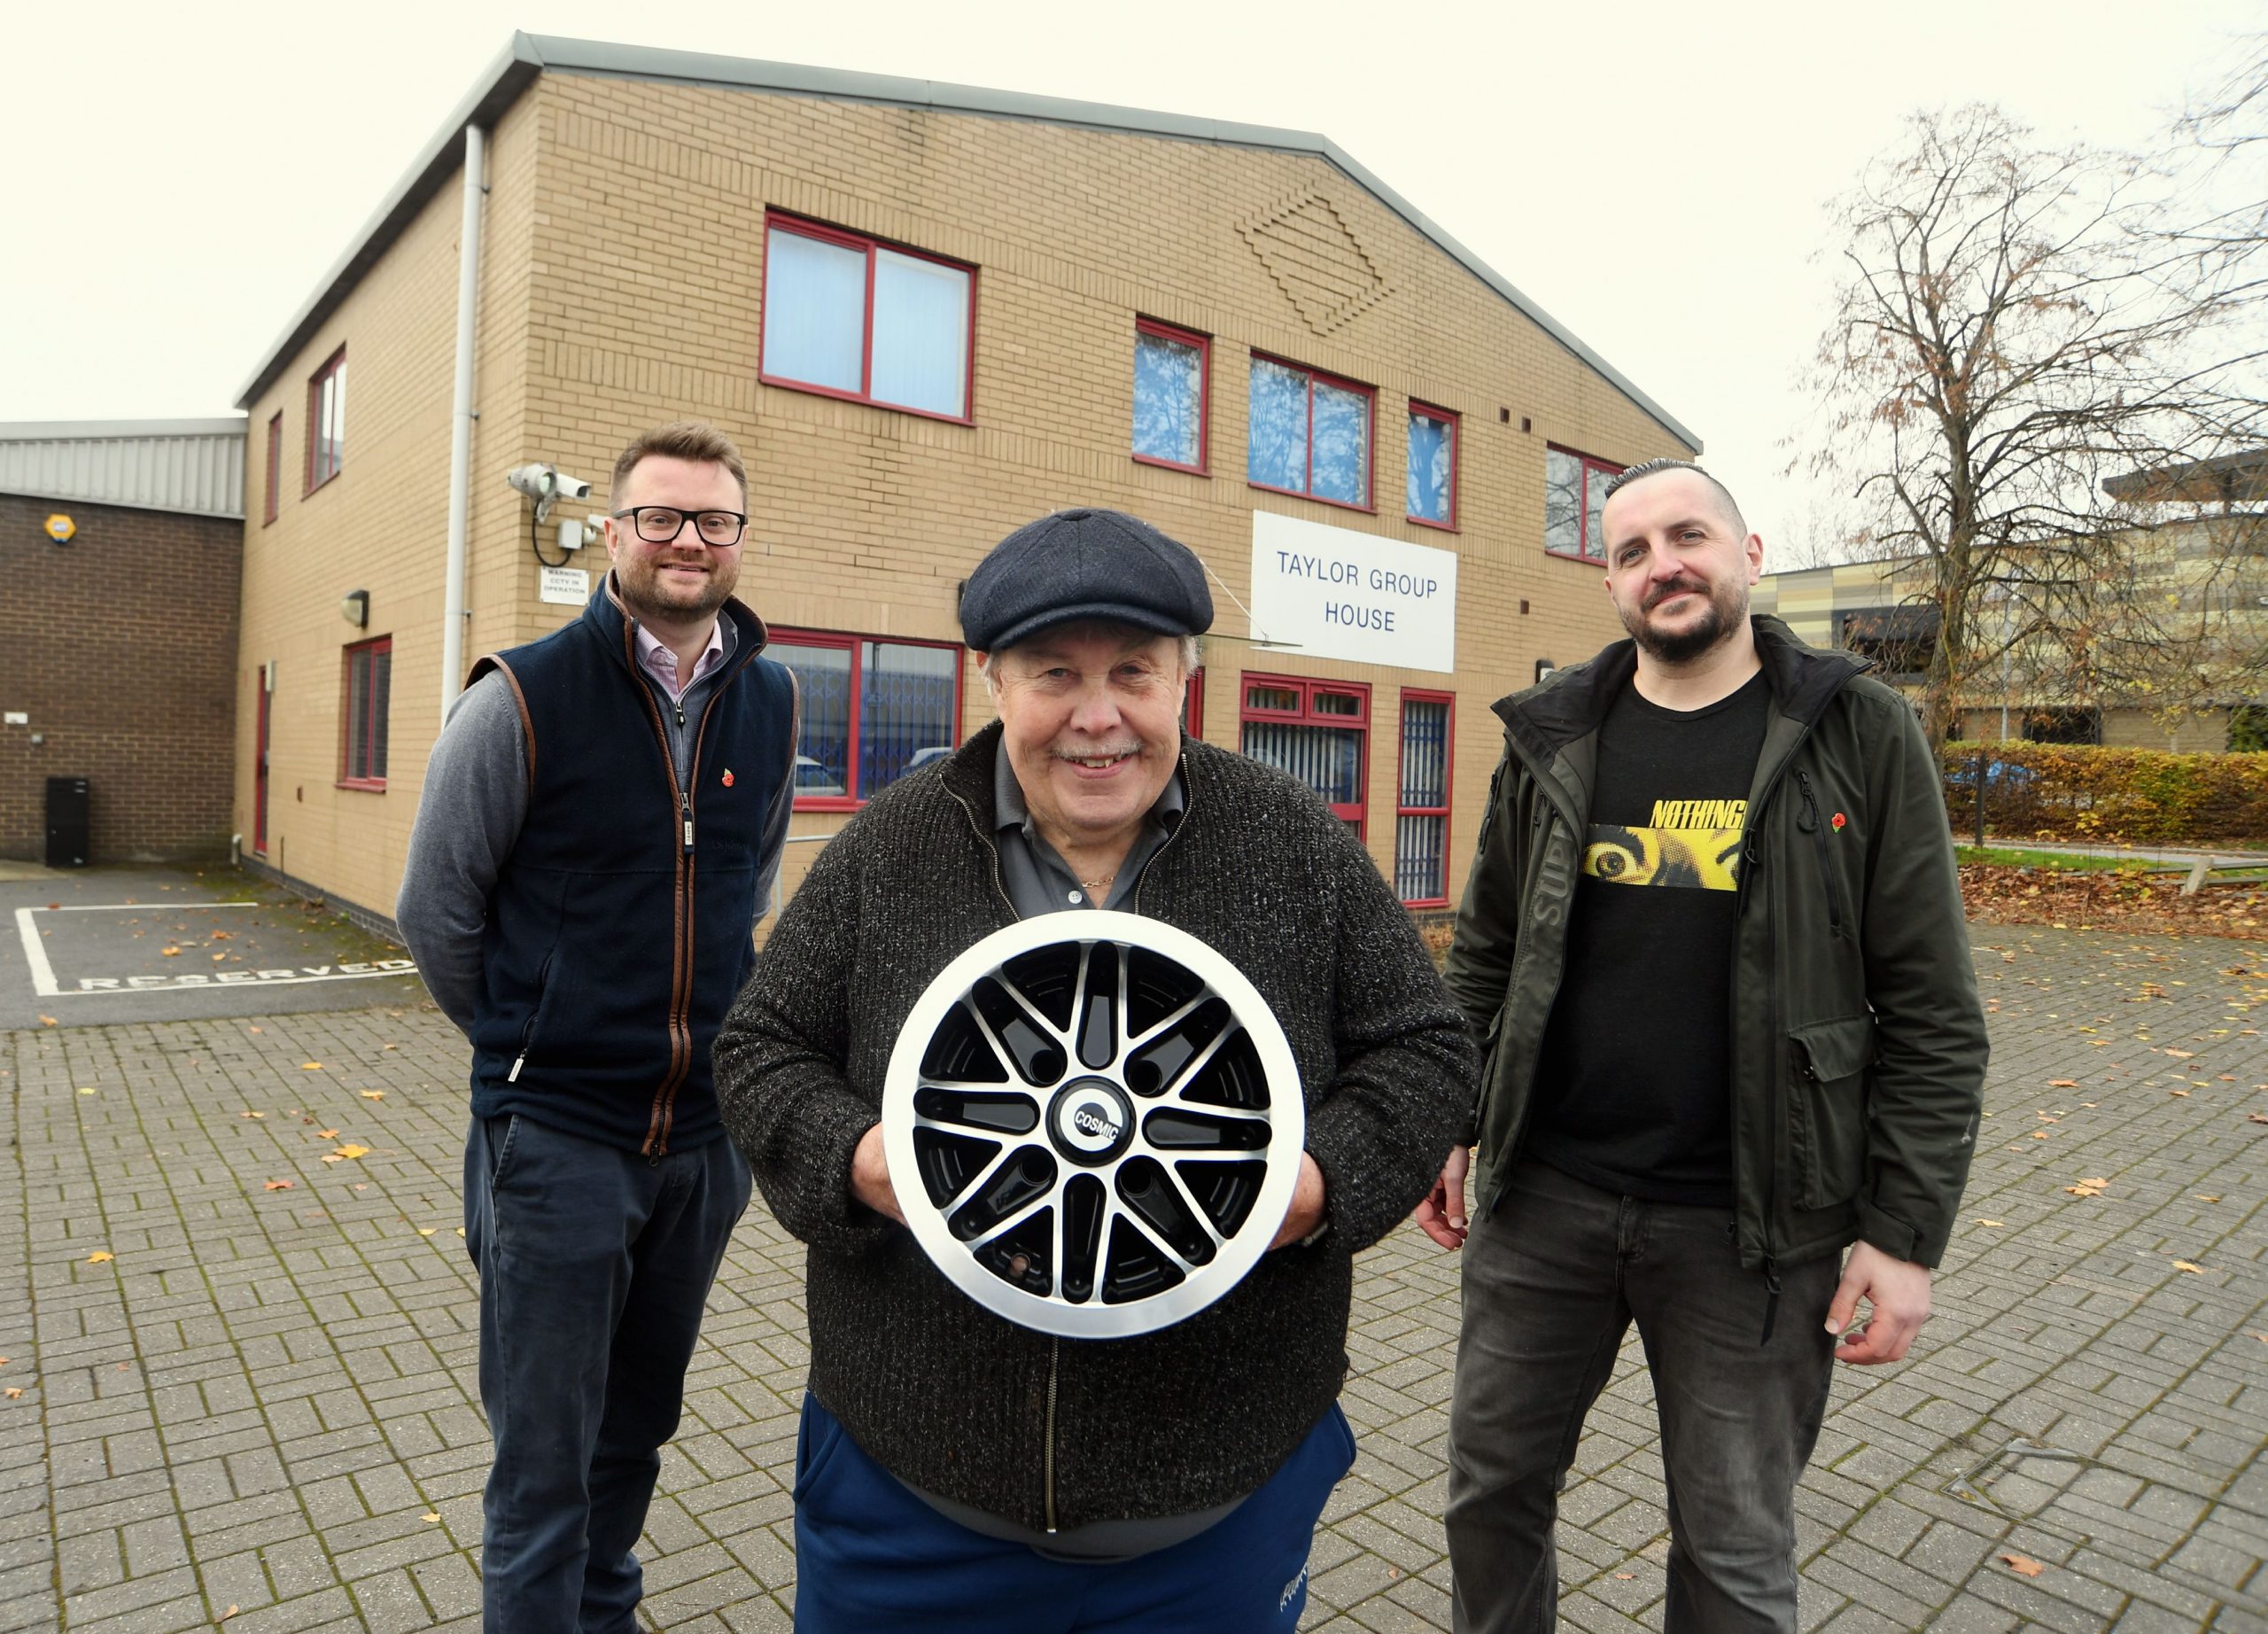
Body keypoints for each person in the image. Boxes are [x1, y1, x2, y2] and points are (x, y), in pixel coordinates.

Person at [713, 507, 1474, 1632]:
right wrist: (860, 1162)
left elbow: (1425, 1046)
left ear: (1185, 677)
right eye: (1054, 674)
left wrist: (1313, 1191)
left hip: (1215, 1508)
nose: (1097, 715)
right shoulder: (894, 842)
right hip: (910, 1503)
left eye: (1133, 670)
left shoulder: (1289, 838)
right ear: (993, 681)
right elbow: (759, 1043)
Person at [1418, 459, 1986, 1633]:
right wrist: (1453, 1120)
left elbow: (1932, 1009)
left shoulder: (1855, 731)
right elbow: (1485, 953)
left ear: (1749, 553)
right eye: (1631, 552)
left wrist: (1903, 1234)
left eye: (1687, 536)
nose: (1661, 565)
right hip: (1546, 1209)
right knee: (1490, 1498)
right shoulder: (1553, 735)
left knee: (1735, 1552)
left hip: (1756, 1227)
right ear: (1614, 585)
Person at [395, 420, 798, 1632]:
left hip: (702, 1145)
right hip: (556, 1142)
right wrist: (530, 1040)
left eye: (713, 519)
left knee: (637, 1429)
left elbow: (753, 885)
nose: (689, 539)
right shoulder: (518, 697)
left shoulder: (768, 697)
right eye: (662, 516)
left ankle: (606, 1612)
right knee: (543, 1462)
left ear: (737, 538)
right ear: (616, 532)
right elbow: (437, 912)